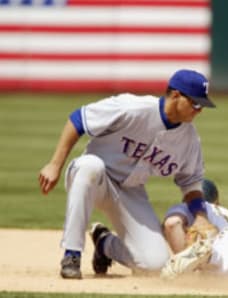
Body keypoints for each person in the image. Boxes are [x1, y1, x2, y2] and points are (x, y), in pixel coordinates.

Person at [38, 69, 216, 279]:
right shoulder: (132, 107)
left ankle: (105, 244)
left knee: (154, 265)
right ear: (176, 95)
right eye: (196, 103)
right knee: (90, 166)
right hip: (95, 178)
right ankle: (72, 254)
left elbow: (191, 183)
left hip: (131, 193)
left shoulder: (189, 139)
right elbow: (78, 119)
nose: (199, 110)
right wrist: (55, 164)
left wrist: (200, 216)